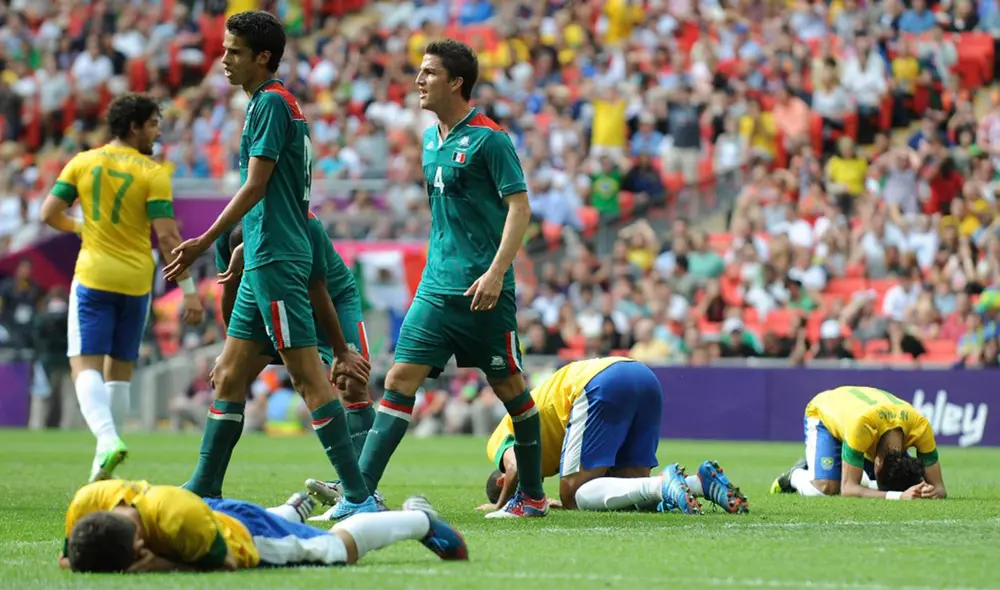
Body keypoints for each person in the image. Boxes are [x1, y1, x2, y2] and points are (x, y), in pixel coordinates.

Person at [163, 11, 372, 509]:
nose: (224, 60)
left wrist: (202, 240)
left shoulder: (272, 105)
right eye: (224, 50)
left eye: (234, 52)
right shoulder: (271, 104)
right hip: (261, 253)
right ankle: (205, 485)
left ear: (263, 57)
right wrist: (238, 246)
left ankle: (360, 495)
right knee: (230, 375)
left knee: (306, 378)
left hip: (276, 257)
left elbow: (256, 186)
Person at [340, 38, 542, 521]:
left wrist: (496, 272)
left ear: (456, 82)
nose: (419, 80)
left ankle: (532, 496)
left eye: (430, 73)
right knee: (398, 379)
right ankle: (359, 495)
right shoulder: (430, 139)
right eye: (420, 71)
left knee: (510, 387)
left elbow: (520, 207)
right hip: (435, 287)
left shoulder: (490, 139)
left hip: (483, 291)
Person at [39, 93, 204, 482]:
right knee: (120, 371)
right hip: (136, 281)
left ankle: (108, 438)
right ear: (134, 126)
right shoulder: (154, 173)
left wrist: (81, 227)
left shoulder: (83, 162)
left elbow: (49, 213)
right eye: (153, 124)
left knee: (84, 365)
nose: (158, 131)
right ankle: (102, 469)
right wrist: (190, 289)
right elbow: (167, 238)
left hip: (94, 275)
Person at [218, 216, 379, 499]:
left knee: (352, 381)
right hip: (274, 300)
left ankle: (361, 489)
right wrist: (229, 351)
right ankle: (209, 483)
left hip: (330, 298)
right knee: (228, 378)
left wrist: (341, 351)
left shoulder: (303, 225)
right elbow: (232, 303)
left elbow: (318, 291)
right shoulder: (224, 233)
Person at [478, 357, 749, 515]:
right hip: (642, 375)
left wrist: (499, 506)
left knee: (573, 495)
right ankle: (700, 482)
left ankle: (663, 484)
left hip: (596, 383)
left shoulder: (498, 442)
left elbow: (515, 466)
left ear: (503, 481)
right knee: (631, 489)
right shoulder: (544, 456)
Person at [59, 480, 466, 573]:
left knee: (332, 549)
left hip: (238, 533)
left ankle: (419, 520)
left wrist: (166, 565)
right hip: (207, 510)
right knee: (276, 523)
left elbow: (226, 565)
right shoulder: (87, 502)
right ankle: (293, 507)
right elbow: (69, 554)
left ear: (138, 545)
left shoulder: (177, 520)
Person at [770, 386, 946, 500]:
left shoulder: (921, 426)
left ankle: (851, 469)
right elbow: (848, 490)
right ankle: (794, 475)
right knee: (825, 489)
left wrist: (926, 491)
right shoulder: (861, 426)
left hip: (861, 414)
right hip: (824, 412)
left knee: (884, 482)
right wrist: (898, 496)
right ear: (877, 462)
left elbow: (940, 488)